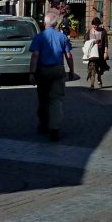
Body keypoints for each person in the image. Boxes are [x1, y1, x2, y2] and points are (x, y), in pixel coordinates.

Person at [29, 10, 75, 141]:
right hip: (58, 70)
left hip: (42, 70)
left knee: (43, 99)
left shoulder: (39, 37)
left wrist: (32, 72)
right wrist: (71, 71)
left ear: (45, 23)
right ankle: (54, 128)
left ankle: (44, 125)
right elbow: (69, 55)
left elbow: (35, 55)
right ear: (56, 24)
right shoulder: (62, 37)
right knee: (56, 100)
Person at [86, 17, 110, 88]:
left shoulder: (103, 31)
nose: (96, 26)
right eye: (94, 25)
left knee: (100, 69)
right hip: (92, 54)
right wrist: (92, 42)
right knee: (92, 68)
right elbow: (85, 41)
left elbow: (106, 43)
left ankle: (99, 77)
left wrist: (106, 52)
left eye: (97, 25)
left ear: (99, 24)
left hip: (100, 53)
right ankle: (92, 84)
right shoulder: (89, 31)